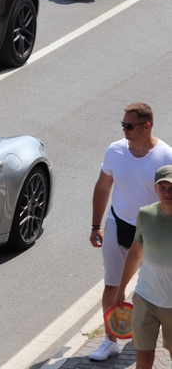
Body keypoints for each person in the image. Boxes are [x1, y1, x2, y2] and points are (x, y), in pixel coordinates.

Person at [88, 103, 172, 361]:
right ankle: (110, 340)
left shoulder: (166, 157)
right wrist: (95, 225)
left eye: (129, 125)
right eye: (122, 124)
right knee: (112, 284)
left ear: (146, 126)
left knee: (152, 286)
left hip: (152, 230)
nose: (124, 129)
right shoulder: (115, 151)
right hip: (118, 223)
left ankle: (147, 332)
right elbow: (103, 188)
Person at [113, 165, 172, 369]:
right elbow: (135, 252)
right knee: (143, 360)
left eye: (171, 187)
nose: (167, 192)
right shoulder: (145, 215)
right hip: (146, 299)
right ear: (155, 189)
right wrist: (121, 289)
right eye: (162, 187)